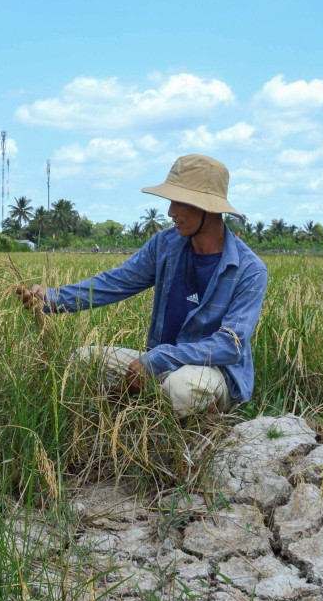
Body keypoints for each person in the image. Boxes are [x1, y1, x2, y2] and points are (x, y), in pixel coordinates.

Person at [15, 154, 268, 416]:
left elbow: (230, 345)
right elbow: (116, 282)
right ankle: (146, 407)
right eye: (171, 201)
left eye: (181, 202)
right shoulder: (165, 245)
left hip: (211, 372)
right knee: (80, 361)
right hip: (158, 365)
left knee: (182, 388)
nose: (171, 212)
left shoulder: (249, 270)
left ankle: (204, 418)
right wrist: (54, 299)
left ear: (209, 209)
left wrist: (157, 359)